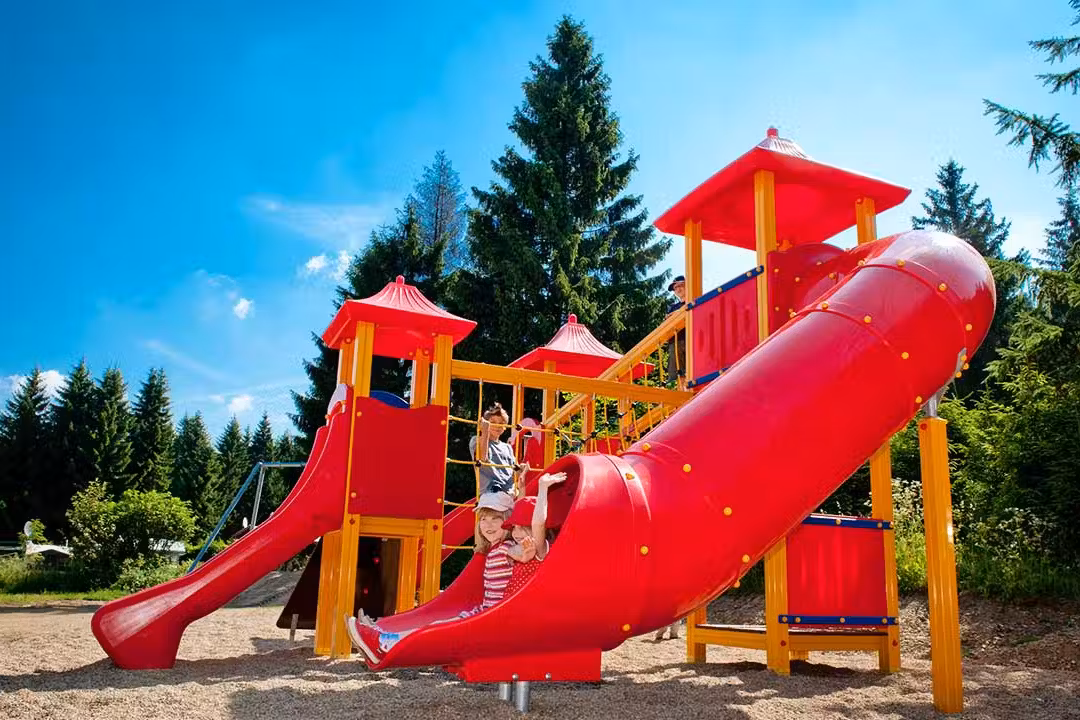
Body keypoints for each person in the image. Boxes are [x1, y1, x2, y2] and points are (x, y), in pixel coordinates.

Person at [346, 475, 567, 662]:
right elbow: (523, 518)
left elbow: (535, 525)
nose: (489, 525)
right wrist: (522, 488)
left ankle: (385, 643)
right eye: (484, 519)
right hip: (486, 612)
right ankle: (383, 634)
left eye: (496, 519)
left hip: (497, 618)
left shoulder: (514, 548)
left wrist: (543, 487)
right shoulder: (499, 547)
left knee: (441, 629)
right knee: (440, 623)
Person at [469, 402, 528, 498]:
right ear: (486, 424)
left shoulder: (507, 448)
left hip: (510, 494)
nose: (497, 426)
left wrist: (520, 469)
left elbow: (513, 475)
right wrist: (485, 431)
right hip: (491, 494)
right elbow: (482, 459)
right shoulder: (477, 440)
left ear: (505, 427)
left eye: (501, 423)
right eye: (493, 422)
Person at [665, 275, 688, 389]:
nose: (678, 289)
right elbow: (667, 322)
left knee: (692, 370)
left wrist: (674, 314)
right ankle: (681, 394)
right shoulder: (672, 307)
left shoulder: (694, 300)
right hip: (675, 341)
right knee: (677, 374)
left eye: (681, 285)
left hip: (691, 339)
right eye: (675, 287)